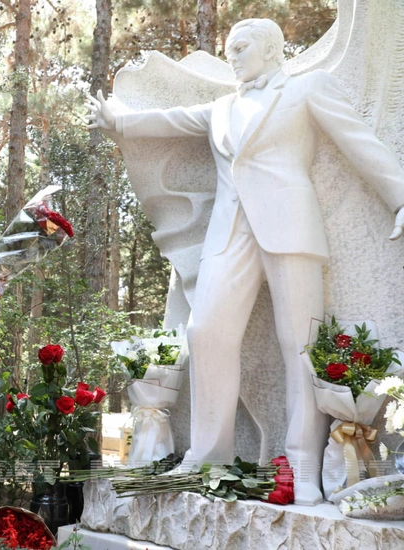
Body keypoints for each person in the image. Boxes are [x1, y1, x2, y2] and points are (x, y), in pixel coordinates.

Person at [85, 18, 404, 505]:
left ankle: (302, 469)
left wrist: (399, 197)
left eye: (241, 47)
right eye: (228, 48)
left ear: (272, 49)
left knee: (300, 346)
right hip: (228, 235)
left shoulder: (306, 89)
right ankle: (207, 458)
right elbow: (171, 120)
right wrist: (117, 122)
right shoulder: (221, 108)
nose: (232, 55)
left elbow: (357, 140)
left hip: (291, 228)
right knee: (205, 331)